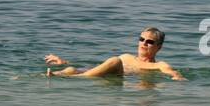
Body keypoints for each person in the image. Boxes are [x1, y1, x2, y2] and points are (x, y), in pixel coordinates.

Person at [45, 27, 184, 80]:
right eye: (142, 39)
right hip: (97, 72)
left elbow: (169, 70)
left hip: (117, 79)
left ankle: (76, 78)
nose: (144, 43)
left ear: (159, 47)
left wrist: (176, 76)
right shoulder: (127, 56)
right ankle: (51, 75)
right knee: (71, 69)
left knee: (115, 60)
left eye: (150, 41)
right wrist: (63, 62)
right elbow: (98, 66)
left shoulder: (158, 64)